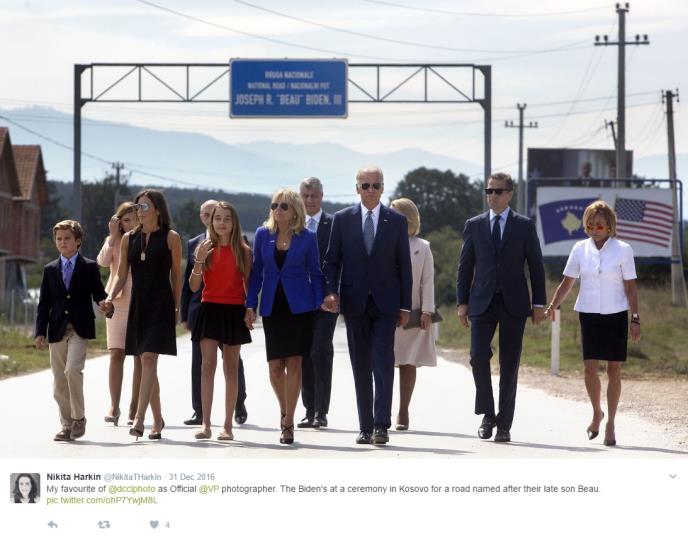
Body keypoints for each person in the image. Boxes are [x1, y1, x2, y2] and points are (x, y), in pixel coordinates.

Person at [323, 166, 412, 445]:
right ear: (357, 188)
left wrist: (405, 306)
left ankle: (381, 425)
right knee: (360, 365)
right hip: (354, 303)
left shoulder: (396, 221)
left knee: (382, 362)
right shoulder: (342, 219)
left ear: (383, 188)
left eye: (376, 185)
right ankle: (365, 426)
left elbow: (404, 266)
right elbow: (332, 261)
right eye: (365, 185)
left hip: (386, 305)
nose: (371, 190)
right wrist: (331, 292)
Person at [456, 172, 546, 443]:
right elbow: (465, 267)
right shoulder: (474, 225)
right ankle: (488, 414)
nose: (492, 196)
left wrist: (538, 304)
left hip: (514, 304)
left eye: (497, 191)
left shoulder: (524, 226)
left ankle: (504, 425)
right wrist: (462, 303)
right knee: (477, 356)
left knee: (509, 365)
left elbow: (536, 266)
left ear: (509, 194)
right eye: (489, 191)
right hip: (481, 302)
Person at [545, 200, 640, 446]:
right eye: (590, 225)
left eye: (599, 225)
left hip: (616, 313)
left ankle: (611, 423)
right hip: (588, 313)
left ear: (609, 226)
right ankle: (597, 412)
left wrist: (635, 318)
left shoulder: (623, 249)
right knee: (589, 368)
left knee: (614, 369)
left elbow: (630, 287)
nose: (594, 230)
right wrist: (552, 305)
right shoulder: (579, 248)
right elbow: (567, 283)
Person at [245, 188, 323, 445]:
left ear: (295, 211)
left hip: (300, 309)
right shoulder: (262, 234)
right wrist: (250, 304)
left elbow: (315, 272)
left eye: (283, 206)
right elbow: (256, 272)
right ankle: (285, 410)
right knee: (276, 368)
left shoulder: (308, 238)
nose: (277, 210)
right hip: (272, 308)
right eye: (274, 205)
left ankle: (288, 423)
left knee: (295, 364)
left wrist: (320, 302)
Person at [106, 189, 182, 440]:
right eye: (138, 207)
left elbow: (176, 276)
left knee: (149, 357)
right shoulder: (129, 238)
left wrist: (177, 307)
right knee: (147, 361)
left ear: (158, 210)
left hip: (161, 304)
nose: (140, 211)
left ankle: (139, 419)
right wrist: (110, 296)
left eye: (145, 207)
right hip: (138, 304)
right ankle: (157, 419)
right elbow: (120, 274)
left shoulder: (171, 238)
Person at [35, 220, 112, 441]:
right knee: (59, 381)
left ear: (77, 241)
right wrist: (40, 332)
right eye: (59, 239)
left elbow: (99, 294)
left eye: (67, 238)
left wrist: (106, 306)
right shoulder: (50, 269)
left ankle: (79, 418)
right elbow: (44, 304)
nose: (63, 242)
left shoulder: (89, 267)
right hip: (57, 329)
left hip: (79, 329)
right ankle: (66, 425)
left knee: (72, 371)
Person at [180, 200, 248, 426]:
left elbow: (249, 284)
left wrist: (251, 310)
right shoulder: (203, 248)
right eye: (217, 218)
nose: (221, 223)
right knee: (206, 366)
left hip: (234, 311)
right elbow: (192, 285)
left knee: (231, 368)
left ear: (234, 222)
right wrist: (199, 260)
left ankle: (228, 424)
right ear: (210, 221)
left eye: (227, 219)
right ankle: (206, 423)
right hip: (208, 309)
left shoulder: (243, 250)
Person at [389, 197, 438, 431]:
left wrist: (427, 311)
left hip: (414, 313)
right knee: (384, 361)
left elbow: (427, 281)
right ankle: (381, 411)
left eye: (395, 214)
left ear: (408, 218)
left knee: (408, 362)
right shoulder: (382, 242)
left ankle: (403, 411)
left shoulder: (423, 247)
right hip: (386, 312)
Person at [296, 177, 338, 430]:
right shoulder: (292, 224)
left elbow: (340, 262)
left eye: (314, 195)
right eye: (305, 195)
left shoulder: (334, 225)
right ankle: (309, 409)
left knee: (320, 351)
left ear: (321, 196)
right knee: (304, 354)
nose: (309, 200)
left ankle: (321, 411)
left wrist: (333, 293)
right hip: (300, 301)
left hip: (327, 301)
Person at [97, 202, 142, 426]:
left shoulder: (145, 239)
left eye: (133, 219)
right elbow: (102, 262)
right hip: (117, 300)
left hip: (141, 298)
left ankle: (135, 407)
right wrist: (112, 236)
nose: (129, 224)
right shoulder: (114, 240)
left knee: (140, 356)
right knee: (116, 353)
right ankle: (114, 406)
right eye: (124, 220)